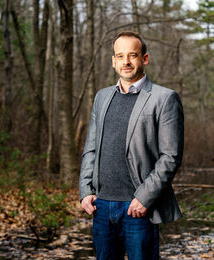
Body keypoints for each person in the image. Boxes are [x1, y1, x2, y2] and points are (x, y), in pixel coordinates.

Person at [79, 31, 184, 260]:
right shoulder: (102, 97)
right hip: (102, 206)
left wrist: (144, 198)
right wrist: (85, 190)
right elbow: (91, 148)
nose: (126, 62)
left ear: (144, 59)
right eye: (120, 56)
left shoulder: (164, 98)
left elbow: (170, 156)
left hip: (137, 208)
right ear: (114, 60)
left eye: (132, 55)